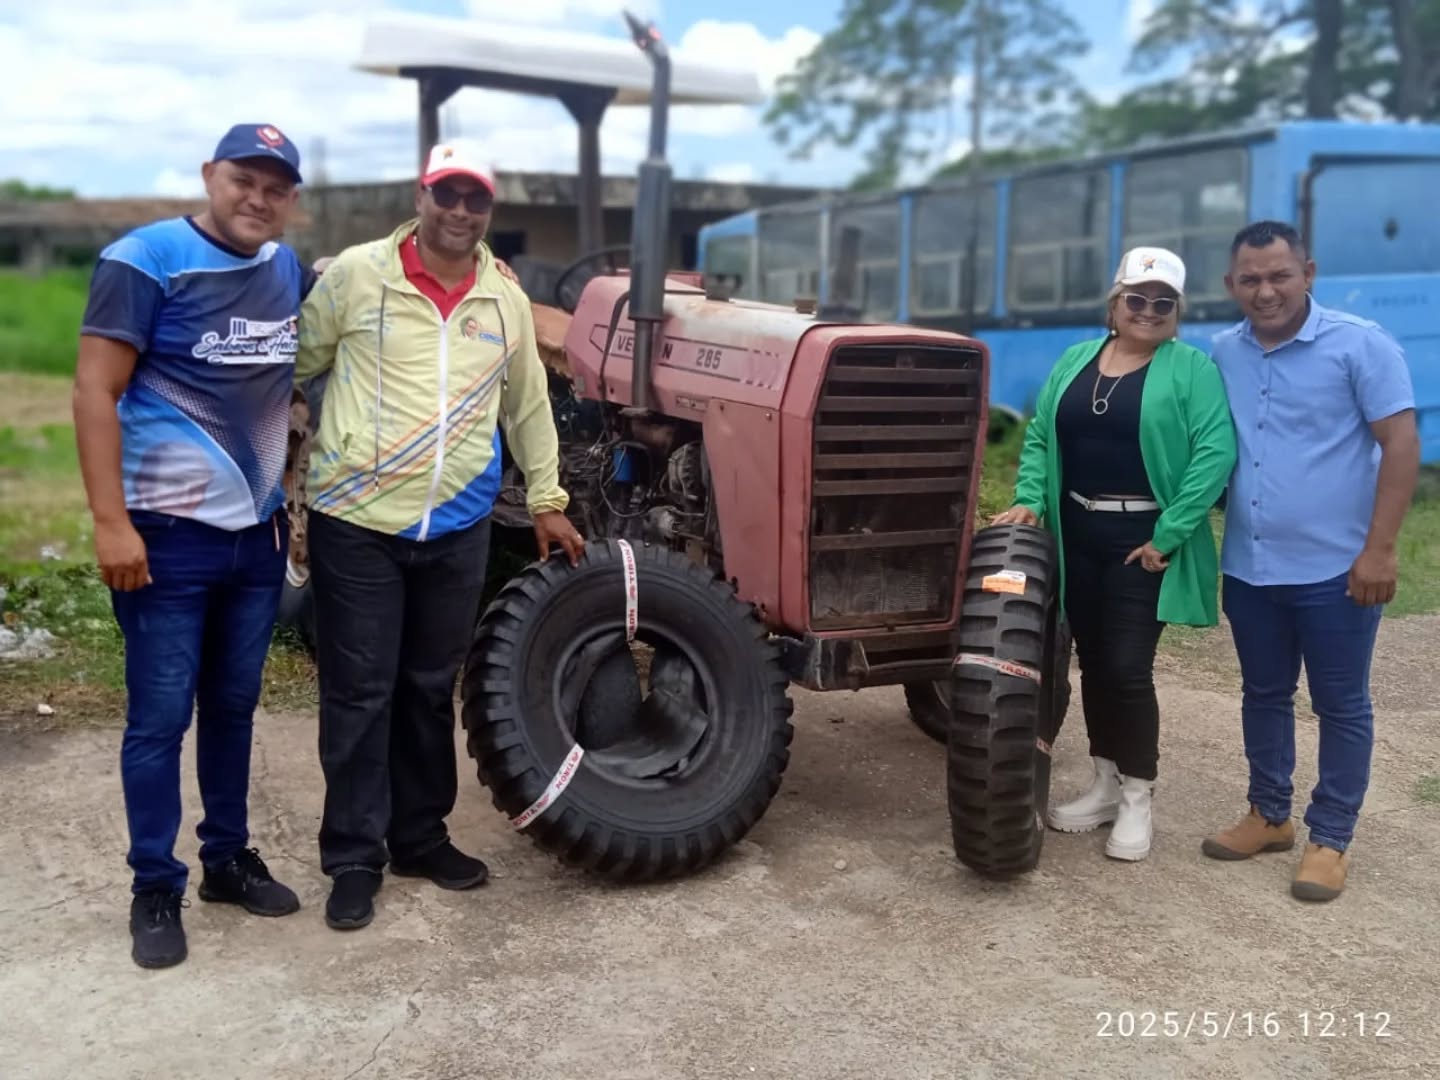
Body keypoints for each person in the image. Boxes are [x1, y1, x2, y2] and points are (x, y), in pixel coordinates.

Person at [294, 141, 585, 932]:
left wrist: (550, 499)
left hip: (458, 525)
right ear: (420, 195)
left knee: (427, 689)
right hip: (357, 522)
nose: (460, 211)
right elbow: (298, 361)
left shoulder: (504, 299)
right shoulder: (359, 275)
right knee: (359, 694)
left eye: (475, 200)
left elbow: (527, 405)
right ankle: (354, 856)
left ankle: (420, 836)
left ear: (490, 211)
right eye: (446, 194)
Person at [73, 123, 313, 969]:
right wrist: (111, 522)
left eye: (276, 187)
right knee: (159, 718)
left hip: (254, 538)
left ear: (292, 201)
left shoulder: (288, 271)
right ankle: (154, 883)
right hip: (164, 540)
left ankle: (225, 859)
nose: (258, 198)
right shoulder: (145, 260)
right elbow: (94, 391)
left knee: (235, 708)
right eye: (244, 179)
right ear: (211, 176)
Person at [993, 246, 1237, 861]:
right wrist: (1030, 500)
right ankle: (1103, 782)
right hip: (1076, 537)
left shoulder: (1192, 370)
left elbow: (1214, 454)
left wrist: (1171, 533)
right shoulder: (1077, 359)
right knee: (1095, 664)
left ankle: (1137, 795)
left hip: (1143, 545)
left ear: (1177, 311)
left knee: (1129, 669)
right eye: (1137, 298)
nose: (1148, 311)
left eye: (1163, 303)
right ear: (1116, 302)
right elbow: (1042, 434)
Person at [1201, 220, 1419, 902]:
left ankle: (1330, 838)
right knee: (1263, 694)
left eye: (1279, 275)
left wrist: (1378, 550)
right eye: (1251, 279)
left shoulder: (1361, 345)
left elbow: (1402, 444)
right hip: (1249, 568)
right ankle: (1269, 815)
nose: (1266, 291)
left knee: (1341, 704)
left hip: (1336, 571)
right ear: (1230, 284)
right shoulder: (1221, 353)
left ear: (1309, 272)